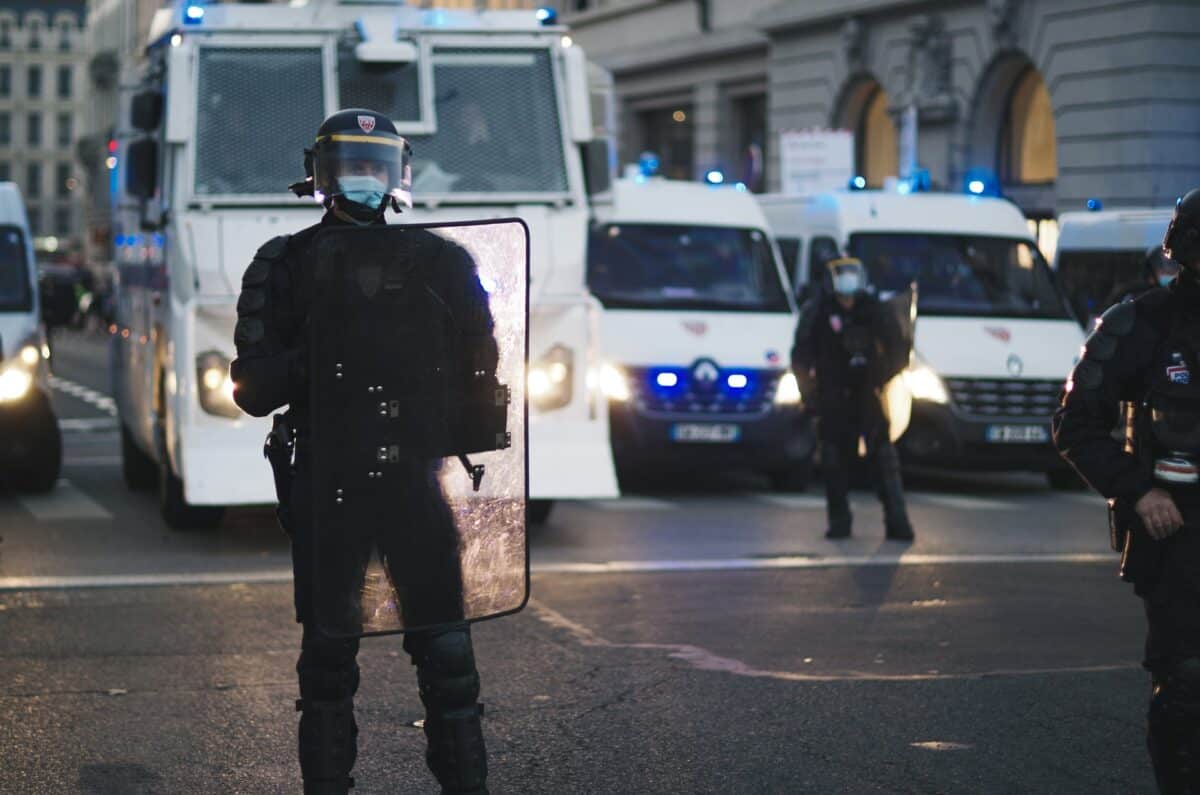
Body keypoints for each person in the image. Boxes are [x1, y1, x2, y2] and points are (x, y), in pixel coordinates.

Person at [230, 108, 491, 795]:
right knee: (327, 662)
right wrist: (318, 358)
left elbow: (483, 383)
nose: (364, 182)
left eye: (376, 167)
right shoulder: (284, 263)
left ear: (399, 175)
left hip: (413, 480)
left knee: (449, 654)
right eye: (350, 166)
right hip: (329, 484)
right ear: (319, 173)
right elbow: (252, 387)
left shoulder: (441, 261)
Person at [1054, 188, 1200, 793]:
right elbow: (1075, 424)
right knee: (1187, 683)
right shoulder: (1140, 322)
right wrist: (1139, 491)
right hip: (1177, 530)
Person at [791, 256, 914, 541]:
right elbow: (800, 357)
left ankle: (898, 522)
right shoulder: (819, 311)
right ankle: (840, 522)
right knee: (834, 463)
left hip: (868, 395)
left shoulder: (873, 310)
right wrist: (810, 395)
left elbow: (898, 346)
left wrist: (880, 375)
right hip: (832, 396)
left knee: (884, 461)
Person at [1102, 245, 1182, 310]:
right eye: (1164, 269)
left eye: (1174, 268)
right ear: (1151, 271)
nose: (1171, 273)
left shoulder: (1180, 295)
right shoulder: (1133, 297)